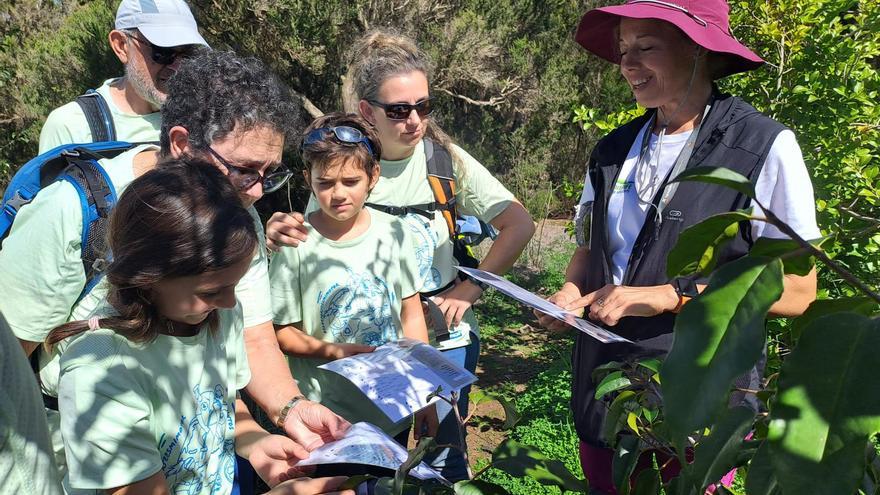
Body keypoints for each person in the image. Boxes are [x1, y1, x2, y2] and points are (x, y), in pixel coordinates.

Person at [0, 49, 348, 474]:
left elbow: (251, 337)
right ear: (181, 144)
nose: (257, 191)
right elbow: (9, 364)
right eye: (244, 169)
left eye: (270, 173)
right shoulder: (73, 211)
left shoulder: (237, 212)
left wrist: (290, 408)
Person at [536, 1, 820, 493]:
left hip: (698, 397)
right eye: (623, 49)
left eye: (645, 47)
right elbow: (589, 249)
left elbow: (797, 290)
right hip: (605, 391)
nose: (627, 64)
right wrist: (566, 292)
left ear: (698, 50)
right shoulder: (612, 150)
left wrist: (670, 294)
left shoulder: (762, 147)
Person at [266, 29, 535, 481]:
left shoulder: (444, 161)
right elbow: (314, 255)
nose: (415, 120)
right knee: (364, 467)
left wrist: (470, 290)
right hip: (354, 367)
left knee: (443, 456)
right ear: (368, 111)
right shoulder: (340, 161)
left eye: (423, 107)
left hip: (443, 342)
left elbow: (519, 222)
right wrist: (274, 231)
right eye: (399, 110)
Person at [48, 163, 351, 495]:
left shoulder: (214, 319)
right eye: (211, 291)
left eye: (234, 285)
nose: (231, 302)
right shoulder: (101, 374)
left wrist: (257, 443)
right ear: (148, 277)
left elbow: (220, 403)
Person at [270, 112, 437, 441]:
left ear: (373, 175)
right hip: (327, 418)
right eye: (325, 183)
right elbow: (282, 334)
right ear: (308, 178)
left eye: (350, 182)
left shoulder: (396, 233)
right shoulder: (296, 243)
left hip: (393, 409)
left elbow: (411, 313)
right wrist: (333, 351)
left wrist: (425, 397)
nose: (338, 194)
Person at [38, 0, 207, 152]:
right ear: (121, 45)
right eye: (163, 52)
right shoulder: (72, 125)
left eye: (188, 54)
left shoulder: (203, 115)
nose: (177, 66)